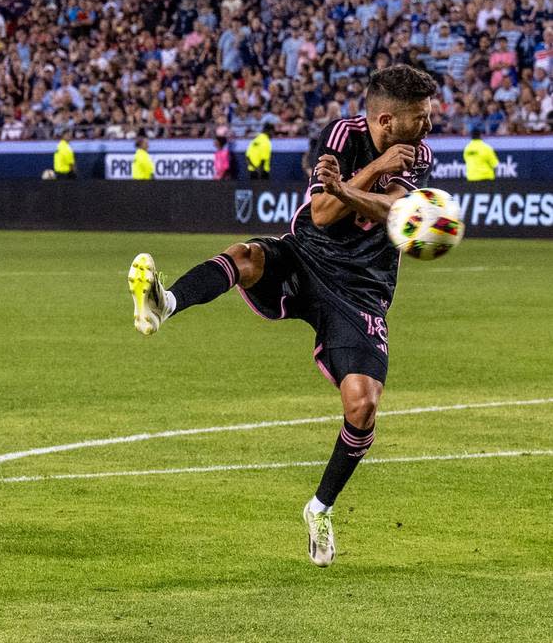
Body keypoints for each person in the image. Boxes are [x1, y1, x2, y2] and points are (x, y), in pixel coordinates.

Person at [125, 65, 437, 567]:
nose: (430, 123)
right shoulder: (339, 134)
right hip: (307, 257)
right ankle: (166, 303)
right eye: (421, 116)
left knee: (362, 406)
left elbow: (396, 213)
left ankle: (319, 508)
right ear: (386, 120)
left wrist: (357, 181)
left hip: (362, 289)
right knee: (247, 256)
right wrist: (364, 176)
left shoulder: (418, 155)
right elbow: (320, 215)